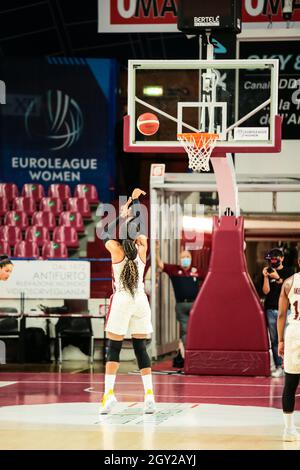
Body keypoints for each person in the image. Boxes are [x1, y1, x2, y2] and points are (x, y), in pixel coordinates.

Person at [100, 188, 155, 414]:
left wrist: (122, 215)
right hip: (140, 300)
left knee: (113, 348)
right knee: (140, 348)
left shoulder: (115, 249)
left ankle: (108, 396)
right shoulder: (142, 247)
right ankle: (149, 395)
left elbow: (106, 234)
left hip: (122, 299)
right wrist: (132, 211)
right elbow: (140, 233)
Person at [156, 242, 204, 368]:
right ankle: (188, 356)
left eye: (187, 257)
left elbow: (209, 279)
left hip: (195, 305)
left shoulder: (196, 271)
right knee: (185, 331)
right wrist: (156, 250)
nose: (185, 259)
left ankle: (196, 354)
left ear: (191, 259)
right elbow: (160, 264)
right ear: (180, 259)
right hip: (181, 306)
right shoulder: (174, 270)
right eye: (183, 257)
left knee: (197, 330)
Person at [262, 248, 294, 378]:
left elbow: (288, 289)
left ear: (282, 258)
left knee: (287, 339)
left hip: (286, 310)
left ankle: (289, 366)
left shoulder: (289, 271)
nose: (272, 262)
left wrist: (278, 278)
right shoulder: (268, 271)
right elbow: (265, 291)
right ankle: (278, 366)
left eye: (275, 259)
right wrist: (266, 277)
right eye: (270, 260)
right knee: (275, 340)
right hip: (271, 309)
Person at [278, 263, 300, 441]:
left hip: (294, 332)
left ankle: (288, 430)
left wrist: (280, 341)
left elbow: (281, 315)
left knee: (290, 384)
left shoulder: (288, 283)